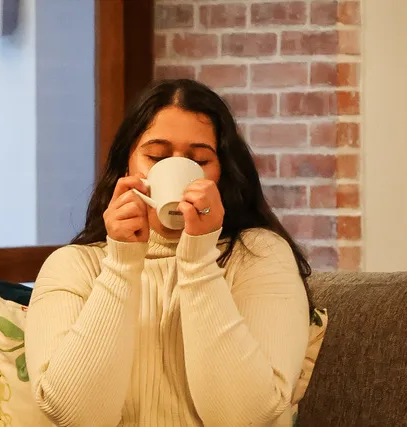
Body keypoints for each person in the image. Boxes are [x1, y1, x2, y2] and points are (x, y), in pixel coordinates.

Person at [26, 79, 315, 426]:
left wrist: (199, 257)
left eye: (199, 160)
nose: (179, 173)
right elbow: (77, 416)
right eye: (157, 157)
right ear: (127, 167)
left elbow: (243, 417)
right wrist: (121, 264)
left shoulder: (259, 255)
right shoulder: (73, 266)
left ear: (221, 175)